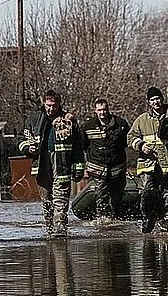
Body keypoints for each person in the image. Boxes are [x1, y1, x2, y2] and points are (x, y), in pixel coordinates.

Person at [127, 86, 168, 233]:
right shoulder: (142, 120)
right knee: (146, 193)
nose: (156, 102)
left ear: (162, 99)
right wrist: (141, 145)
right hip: (148, 164)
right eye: (152, 100)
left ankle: (166, 226)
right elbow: (130, 137)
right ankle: (147, 221)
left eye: (157, 99)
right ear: (148, 102)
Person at [18, 89, 85, 235]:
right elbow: (20, 138)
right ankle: (49, 228)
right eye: (48, 105)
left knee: (60, 198)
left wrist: (79, 167)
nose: (51, 108)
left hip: (62, 165)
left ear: (59, 104)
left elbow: (78, 146)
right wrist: (28, 149)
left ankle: (60, 228)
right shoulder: (34, 119)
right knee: (46, 200)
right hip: (41, 164)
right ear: (44, 103)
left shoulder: (68, 120)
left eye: (54, 105)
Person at [80, 98, 130, 221]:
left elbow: (127, 142)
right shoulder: (88, 126)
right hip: (97, 167)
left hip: (117, 167)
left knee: (117, 195)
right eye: (100, 110)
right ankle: (102, 220)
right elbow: (83, 145)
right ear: (95, 111)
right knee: (101, 195)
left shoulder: (121, 124)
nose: (102, 112)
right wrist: (84, 167)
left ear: (108, 109)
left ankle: (115, 219)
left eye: (104, 109)